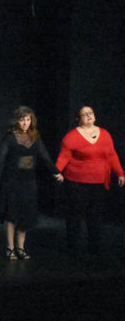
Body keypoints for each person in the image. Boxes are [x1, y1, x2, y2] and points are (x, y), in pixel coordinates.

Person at [0, 106, 63, 260]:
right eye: (22, 119)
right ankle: (10, 248)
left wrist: (56, 171)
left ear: (32, 121)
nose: (25, 123)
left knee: (26, 214)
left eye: (28, 119)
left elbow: (45, 157)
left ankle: (20, 248)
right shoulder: (10, 137)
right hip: (11, 180)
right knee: (11, 214)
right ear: (17, 120)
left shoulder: (35, 137)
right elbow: (0, 156)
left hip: (28, 181)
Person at [55, 105, 124, 255]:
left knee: (96, 215)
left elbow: (112, 155)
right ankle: (73, 246)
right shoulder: (71, 136)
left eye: (90, 113)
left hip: (99, 182)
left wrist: (120, 173)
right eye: (84, 114)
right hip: (77, 182)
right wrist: (57, 171)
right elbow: (64, 157)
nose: (89, 115)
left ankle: (94, 246)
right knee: (75, 214)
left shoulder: (105, 134)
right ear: (79, 120)